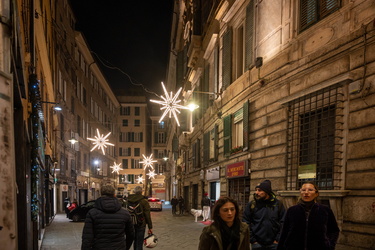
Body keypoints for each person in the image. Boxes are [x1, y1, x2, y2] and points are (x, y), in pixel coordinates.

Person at [277, 182, 340, 250]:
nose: (306, 192)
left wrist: (329, 246)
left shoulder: (325, 210)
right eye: (303, 190)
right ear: (300, 192)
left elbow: (334, 230)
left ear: (316, 193)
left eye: (310, 190)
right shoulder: (292, 210)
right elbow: (284, 232)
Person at [81, 184, 134, 250]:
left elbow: (87, 237)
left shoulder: (92, 213)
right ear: (114, 194)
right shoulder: (125, 213)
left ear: (101, 194)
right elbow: (131, 235)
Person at [242, 180, 285, 250]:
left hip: (274, 244)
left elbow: (283, 222)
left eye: (259, 190)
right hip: (257, 245)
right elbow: (245, 222)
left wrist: (277, 239)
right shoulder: (252, 205)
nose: (256, 193)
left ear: (267, 192)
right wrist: (253, 240)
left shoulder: (277, 204)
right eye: (256, 190)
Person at [126, 186, 153, 250]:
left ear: (134, 191)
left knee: (128, 241)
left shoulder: (127, 200)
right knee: (139, 242)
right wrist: (150, 227)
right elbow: (147, 215)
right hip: (141, 223)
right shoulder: (144, 201)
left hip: (129, 224)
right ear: (141, 192)